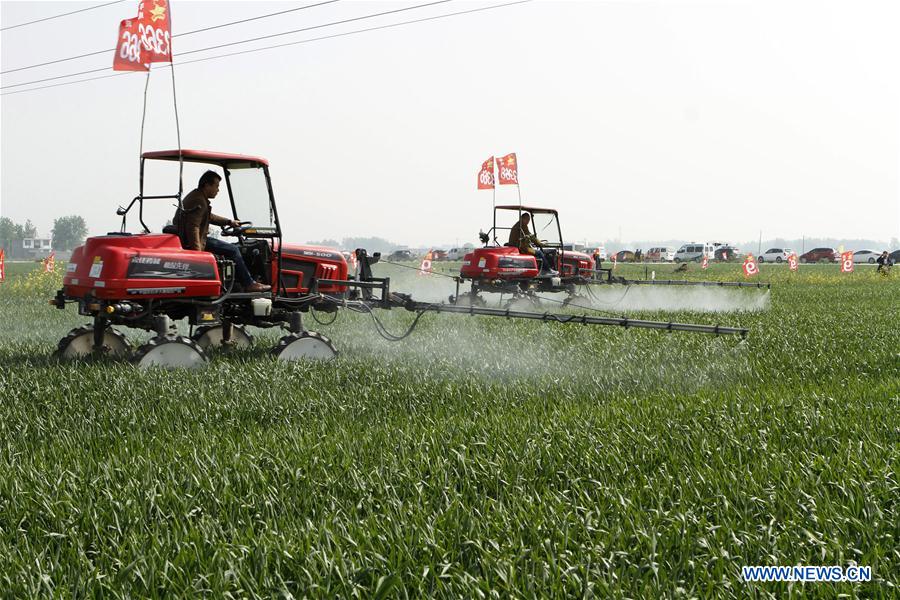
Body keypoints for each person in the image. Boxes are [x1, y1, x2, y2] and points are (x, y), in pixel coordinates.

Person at [173, 170, 271, 292]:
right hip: (191, 241)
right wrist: (198, 255)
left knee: (230, 249)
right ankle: (249, 283)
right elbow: (193, 227)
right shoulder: (198, 200)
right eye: (216, 186)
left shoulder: (197, 196)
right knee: (234, 250)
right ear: (207, 185)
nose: (218, 190)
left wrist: (229, 222)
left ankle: (238, 284)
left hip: (188, 239)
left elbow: (209, 216)